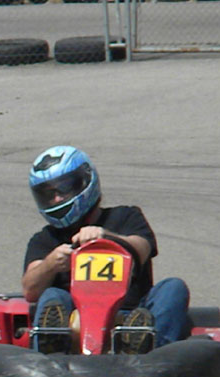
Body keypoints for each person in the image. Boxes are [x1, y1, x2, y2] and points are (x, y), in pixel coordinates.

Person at [22, 145, 190, 354]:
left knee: (173, 287)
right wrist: (50, 265)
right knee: (52, 295)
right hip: (76, 321)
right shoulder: (45, 239)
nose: (56, 199)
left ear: (84, 181)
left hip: (132, 315)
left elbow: (142, 248)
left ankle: (148, 351)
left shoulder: (126, 217)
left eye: (63, 189)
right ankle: (53, 351)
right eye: (48, 194)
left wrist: (106, 237)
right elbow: (30, 290)